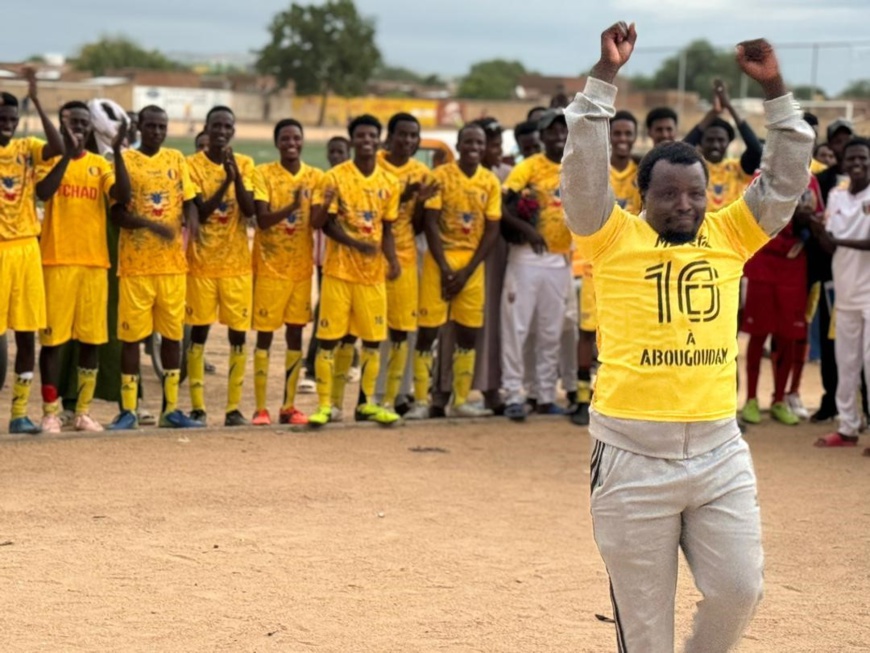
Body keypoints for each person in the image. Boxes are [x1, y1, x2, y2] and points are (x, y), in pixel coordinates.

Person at [564, 22, 813, 652]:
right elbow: (584, 174)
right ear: (641, 195)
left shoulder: (730, 234)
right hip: (630, 454)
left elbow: (784, 182)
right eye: (669, 194)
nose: (684, 204)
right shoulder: (610, 235)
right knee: (645, 626)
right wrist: (605, 76)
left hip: (718, 451)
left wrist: (775, 89)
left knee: (739, 590)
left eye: (696, 193)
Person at [35, 101, 129, 433]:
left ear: (90, 128)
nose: (78, 128)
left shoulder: (99, 165)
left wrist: (118, 154)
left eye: (83, 123)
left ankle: (83, 412)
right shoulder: (48, 160)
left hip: (94, 264)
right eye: (73, 122)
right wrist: (66, 155)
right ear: (61, 125)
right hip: (57, 261)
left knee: (91, 341)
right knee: (53, 342)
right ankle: (50, 412)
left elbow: (123, 195)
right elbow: (43, 192)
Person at [108, 104, 202, 430]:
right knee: (131, 340)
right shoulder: (126, 160)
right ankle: (129, 411)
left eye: (162, 126)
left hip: (172, 267)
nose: (157, 132)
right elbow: (117, 212)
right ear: (140, 128)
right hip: (136, 268)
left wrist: (192, 220)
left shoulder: (176, 159)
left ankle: (170, 410)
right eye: (151, 126)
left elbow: (189, 201)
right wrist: (149, 224)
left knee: (173, 338)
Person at [308, 114, 401, 427]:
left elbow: (388, 229)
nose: (366, 141)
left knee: (372, 341)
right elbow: (325, 225)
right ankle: (327, 405)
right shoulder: (334, 178)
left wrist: (392, 260)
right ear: (352, 140)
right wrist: (356, 244)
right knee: (330, 339)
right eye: (361, 136)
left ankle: (366, 404)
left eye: (372, 136)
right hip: (338, 272)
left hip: (372, 276)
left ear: (379, 140)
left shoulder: (389, 183)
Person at [413, 124, 502, 418]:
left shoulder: (489, 182)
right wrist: (444, 267)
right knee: (428, 331)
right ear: (459, 145)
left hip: (471, 265)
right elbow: (430, 223)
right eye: (469, 142)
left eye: (479, 143)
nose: (474, 147)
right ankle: (421, 401)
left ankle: (461, 400)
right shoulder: (440, 176)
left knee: (468, 333)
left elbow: (491, 230)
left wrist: (467, 271)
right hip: (439, 261)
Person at [0, 69, 65, 434]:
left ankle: (19, 413)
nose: (7, 124)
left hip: (26, 248)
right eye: (2, 119)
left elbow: (59, 148)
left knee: (27, 333)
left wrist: (37, 100)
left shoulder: (26, 148)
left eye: (12, 119)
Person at [500, 109, 573, 419]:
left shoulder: (575, 166)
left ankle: (544, 395)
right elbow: (502, 204)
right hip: (527, 256)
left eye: (563, 130)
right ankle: (513, 394)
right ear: (542, 136)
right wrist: (527, 230)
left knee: (550, 331)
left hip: (560, 258)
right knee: (517, 327)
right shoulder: (529, 166)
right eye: (552, 131)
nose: (558, 136)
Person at [572, 109, 644, 427]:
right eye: (618, 133)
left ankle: (621, 397)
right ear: (609, 136)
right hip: (596, 266)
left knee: (626, 334)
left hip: (629, 268)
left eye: (629, 134)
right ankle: (581, 397)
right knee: (587, 332)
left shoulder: (643, 173)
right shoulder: (597, 171)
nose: (623, 139)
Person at [185, 106, 256, 426]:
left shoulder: (246, 163)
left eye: (228, 127)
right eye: (217, 126)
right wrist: (226, 180)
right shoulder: (191, 165)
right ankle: (198, 407)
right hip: (201, 264)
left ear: (233, 131)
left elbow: (249, 210)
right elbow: (202, 211)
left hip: (236, 266)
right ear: (207, 128)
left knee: (238, 336)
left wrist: (236, 176)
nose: (222, 132)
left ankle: (233, 408)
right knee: (199, 334)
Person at [250, 119, 322, 426]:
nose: (291, 143)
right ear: (277, 142)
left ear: (302, 141)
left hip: (301, 272)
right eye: (286, 138)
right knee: (264, 336)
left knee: (295, 335)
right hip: (269, 269)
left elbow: (316, 222)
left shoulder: (315, 177)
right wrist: (292, 207)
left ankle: (288, 407)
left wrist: (326, 204)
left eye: (296, 138)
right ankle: (260, 408)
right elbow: (263, 220)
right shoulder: (263, 174)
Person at [740, 178, 822, 426]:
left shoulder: (811, 182)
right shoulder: (761, 178)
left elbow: (819, 217)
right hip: (763, 265)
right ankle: (751, 399)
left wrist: (807, 224)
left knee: (787, 337)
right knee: (758, 335)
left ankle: (778, 400)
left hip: (792, 267)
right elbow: (747, 216)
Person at [810, 137, 870, 456]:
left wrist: (838, 239)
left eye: (863, 158)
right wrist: (816, 228)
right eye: (852, 159)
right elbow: (829, 246)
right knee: (845, 363)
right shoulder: (836, 195)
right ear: (843, 163)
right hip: (844, 293)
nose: (857, 163)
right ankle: (847, 427)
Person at [375, 113, 436, 415]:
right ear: (390, 137)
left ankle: (399, 393)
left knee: (404, 329)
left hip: (407, 258)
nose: (408, 141)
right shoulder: (374, 166)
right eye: (403, 134)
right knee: (377, 329)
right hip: (371, 257)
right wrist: (405, 195)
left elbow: (418, 225)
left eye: (414, 136)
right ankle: (375, 394)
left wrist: (420, 202)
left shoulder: (421, 172)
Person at [807, 118, 855, 422]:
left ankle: (859, 405)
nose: (842, 147)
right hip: (830, 276)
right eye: (837, 141)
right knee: (830, 340)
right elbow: (815, 223)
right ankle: (831, 400)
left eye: (847, 140)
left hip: (860, 275)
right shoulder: (822, 181)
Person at [683, 80, 763, 210]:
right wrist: (712, 113)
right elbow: (679, 152)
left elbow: (756, 150)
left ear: (728, 142)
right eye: (710, 140)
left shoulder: (738, 168)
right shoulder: (694, 168)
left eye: (721, 140)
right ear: (701, 142)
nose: (715, 144)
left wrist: (729, 107)